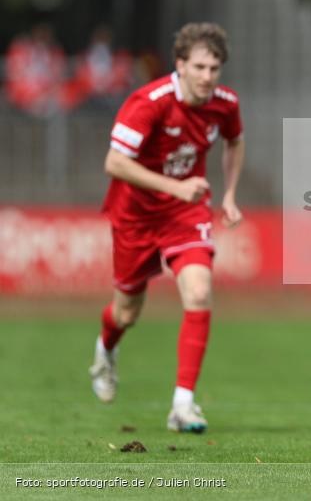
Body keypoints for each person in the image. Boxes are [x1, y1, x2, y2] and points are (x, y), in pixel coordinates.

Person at [89, 23, 245, 434]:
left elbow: (235, 140)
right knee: (126, 310)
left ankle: (183, 404)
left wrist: (229, 195)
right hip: (135, 215)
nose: (207, 75)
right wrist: (176, 186)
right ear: (180, 65)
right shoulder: (149, 101)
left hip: (186, 213)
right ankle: (105, 350)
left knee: (198, 290)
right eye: (199, 66)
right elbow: (114, 163)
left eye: (214, 67)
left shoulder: (225, 103)